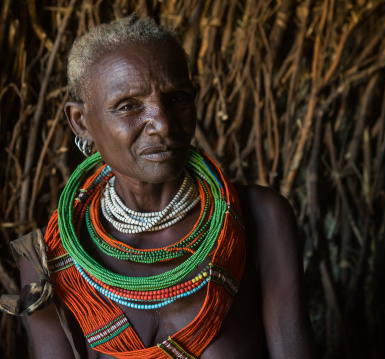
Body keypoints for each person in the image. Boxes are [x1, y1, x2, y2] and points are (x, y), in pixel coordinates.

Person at [0, 15, 315, 358]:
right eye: (128, 106)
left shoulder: (259, 217)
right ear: (81, 122)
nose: (163, 124)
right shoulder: (49, 257)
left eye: (177, 98)